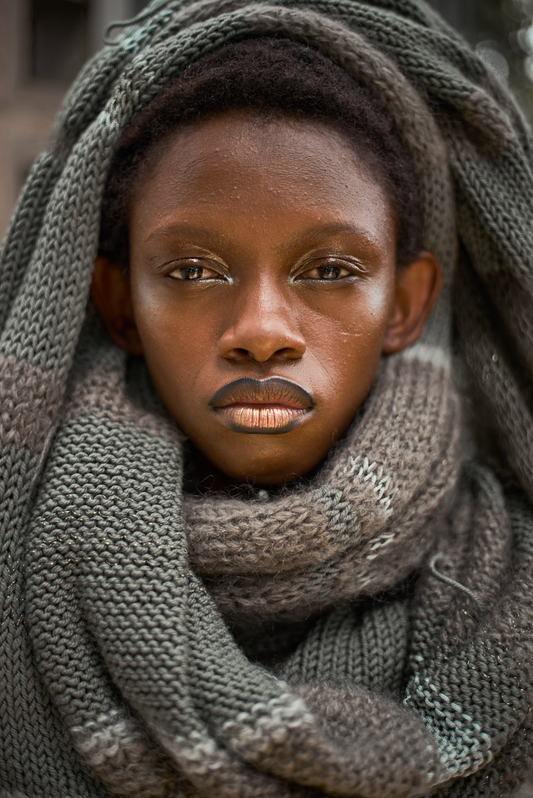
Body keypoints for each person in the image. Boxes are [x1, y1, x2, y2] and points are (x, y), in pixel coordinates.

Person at [0, 1, 532, 796]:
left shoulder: (509, 596)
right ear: (117, 303)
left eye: (328, 271)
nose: (260, 332)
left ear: (405, 303)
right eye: (190, 271)